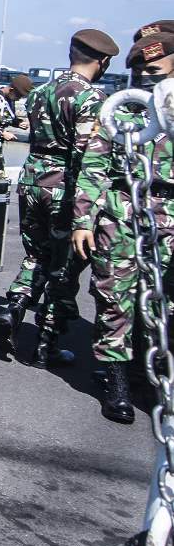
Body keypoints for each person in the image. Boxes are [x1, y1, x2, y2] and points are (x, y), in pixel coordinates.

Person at [71, 23, 174, 424]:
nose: (148, 77)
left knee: (163, 301)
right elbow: (93, 165)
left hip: (169, 213)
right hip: (122, 212)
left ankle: (147, 374)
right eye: (143, 71)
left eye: (158, 69)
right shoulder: (120, 109)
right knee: (115, 298)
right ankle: (117, 385)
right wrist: (83, 219)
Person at [0, 29, 118, 365]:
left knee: (35, 254)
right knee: (62, 267)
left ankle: (13, 308)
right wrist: (86, 210)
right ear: (103, 61)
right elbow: (87, 155)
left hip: (33, 179)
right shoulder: (91, 98)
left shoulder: (39, 93)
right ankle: (44, 346)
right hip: (65, 186)